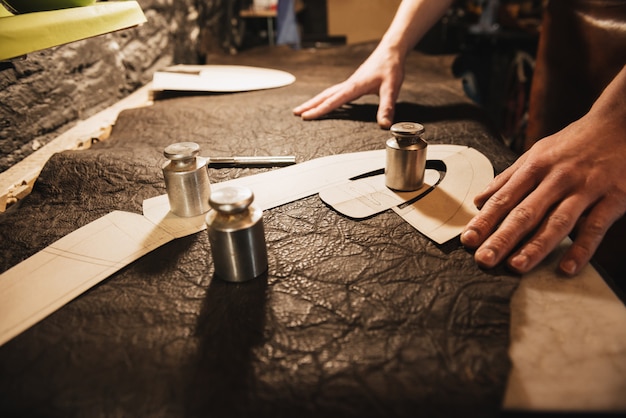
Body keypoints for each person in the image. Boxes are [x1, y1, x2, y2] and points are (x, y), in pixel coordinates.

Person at [293, 0, 626, 277]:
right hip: (571, 52)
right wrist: (393, 47)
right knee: (547, 201)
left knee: (600, 252)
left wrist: (616, 122)